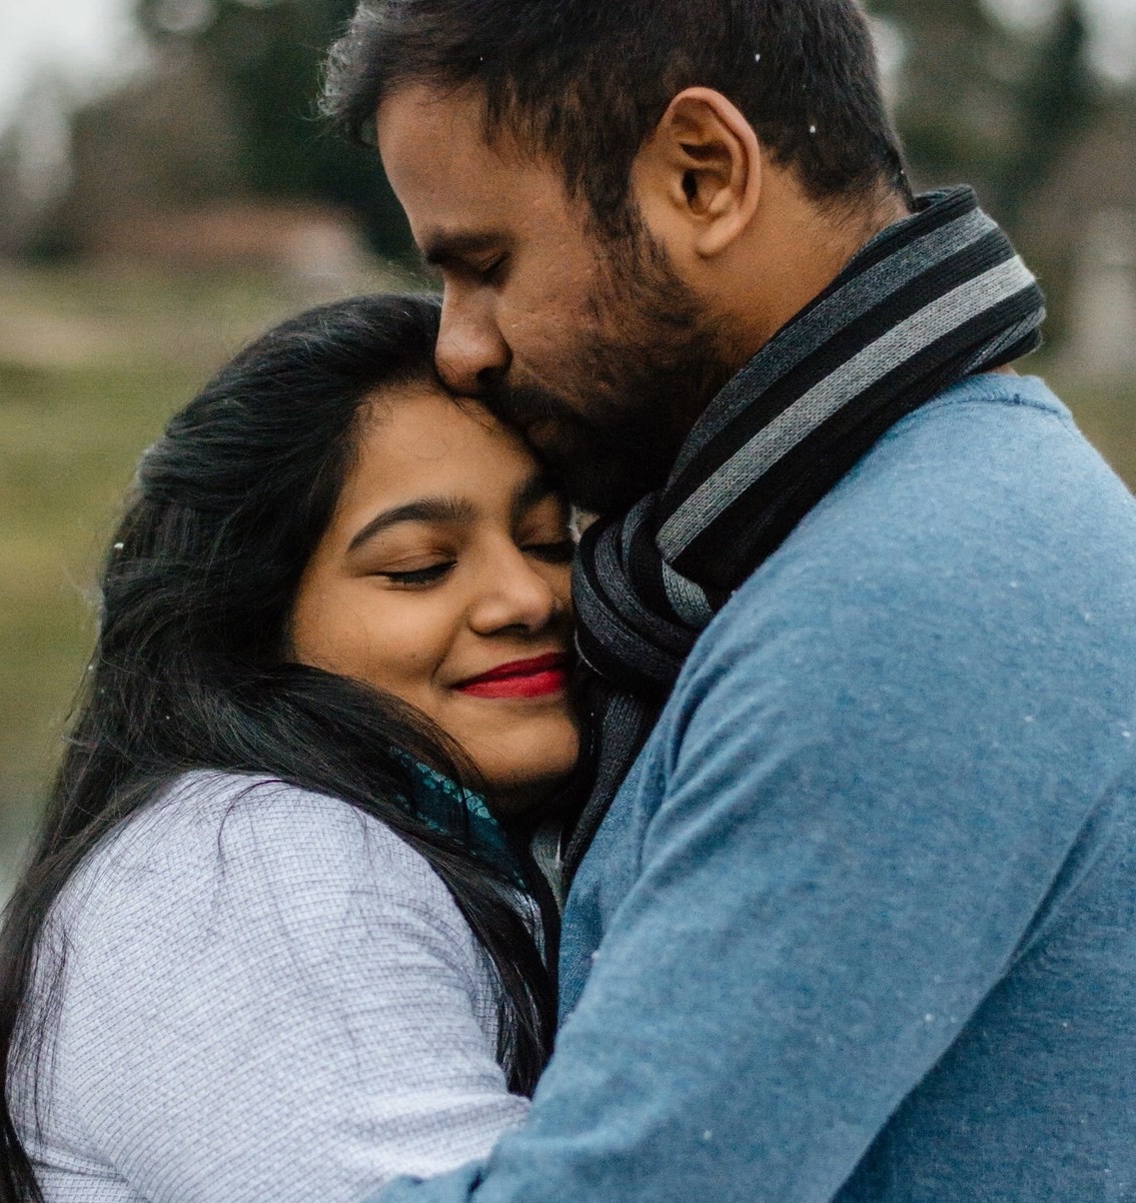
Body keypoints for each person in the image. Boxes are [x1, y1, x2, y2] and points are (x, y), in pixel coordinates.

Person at [321, 1, 1136, 1200]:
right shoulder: (920, 522)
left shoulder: (904, 609)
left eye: (485, 266)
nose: (461, 348)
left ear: (703, 176)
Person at [0, 294, 581, 1203]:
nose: (527, 596)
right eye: (421, 565)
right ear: (253, 622)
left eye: (546, 542)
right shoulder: (253, 864)